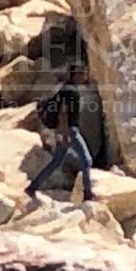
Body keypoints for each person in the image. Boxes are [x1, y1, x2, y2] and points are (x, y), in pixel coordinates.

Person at [26, 62, 95, 201]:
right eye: (82, 74)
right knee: (87, 160)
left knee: (56, 162)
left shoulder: (65, 88)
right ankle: (88, 194)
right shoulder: (71, 91)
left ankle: (32, 187)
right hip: (70, 131)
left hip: (64, 131)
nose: (85, 76)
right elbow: (62, 114)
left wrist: (60, 134)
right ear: (75, 75)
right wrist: (64, 135)